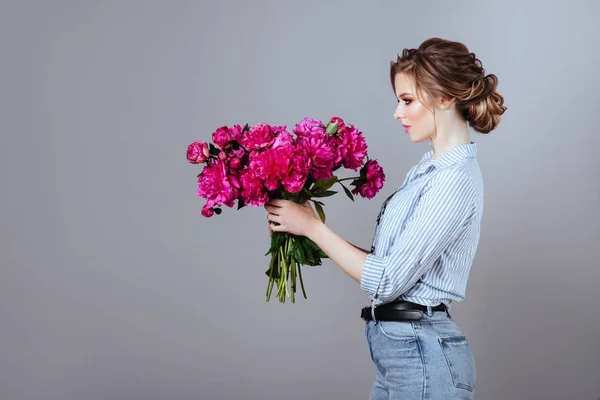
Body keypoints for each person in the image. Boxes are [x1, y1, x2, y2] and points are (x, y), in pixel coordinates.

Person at [264, 37, 506, 400]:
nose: (397, 112)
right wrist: (307, 229)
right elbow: (390, 266)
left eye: (407, 100)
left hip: (422, 357)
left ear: (444, 97)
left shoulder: (452, 182)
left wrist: (313, 227)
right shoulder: (429, 171)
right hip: (404, 354)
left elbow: (387, 281)